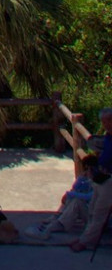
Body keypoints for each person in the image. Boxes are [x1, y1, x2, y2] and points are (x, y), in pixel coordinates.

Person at [70, 108, 112, 253]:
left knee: (100, 212)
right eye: (104, 121)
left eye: (108, 121)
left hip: (110, 180)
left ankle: (84, 242)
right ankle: (86, 237)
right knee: (93, 209)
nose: (106, 124)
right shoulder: (107, 136)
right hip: (101, 177)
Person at [26, 155, 98, 239]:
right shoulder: (89, 180)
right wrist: (81, 179)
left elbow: (89, 197)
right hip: (91, 212)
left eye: (88, 169)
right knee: (74, 194)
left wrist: (70, 194)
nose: (87, 171)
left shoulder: (100, 183)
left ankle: (54, 227)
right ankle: (56, 219)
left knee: (77, 201)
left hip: (96, 217)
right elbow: (76, 188)